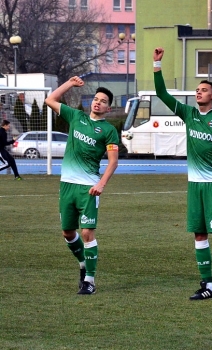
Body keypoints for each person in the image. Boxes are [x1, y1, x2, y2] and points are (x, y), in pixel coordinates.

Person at [153, 47, 212, 303]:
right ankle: (208, 286)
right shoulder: (189, 114)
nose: (198, 92)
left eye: (203, 90)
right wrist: (157, 64)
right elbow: (161, 94)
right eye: (197, 90)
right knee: (199, 235)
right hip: (195, 185)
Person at [44, 77, 120, 295]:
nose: (97, 103)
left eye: (103, 101)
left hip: (88, 187)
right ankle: (83, 263)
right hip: (67, 185)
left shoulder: (108, 130)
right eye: (95, 99)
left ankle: (90, 281)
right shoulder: (76, 116)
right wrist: (69, 83)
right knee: (68, 233)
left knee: (87, 233)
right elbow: (50, 99)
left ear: (108, 107)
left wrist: (101, 184)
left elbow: (113, 161)